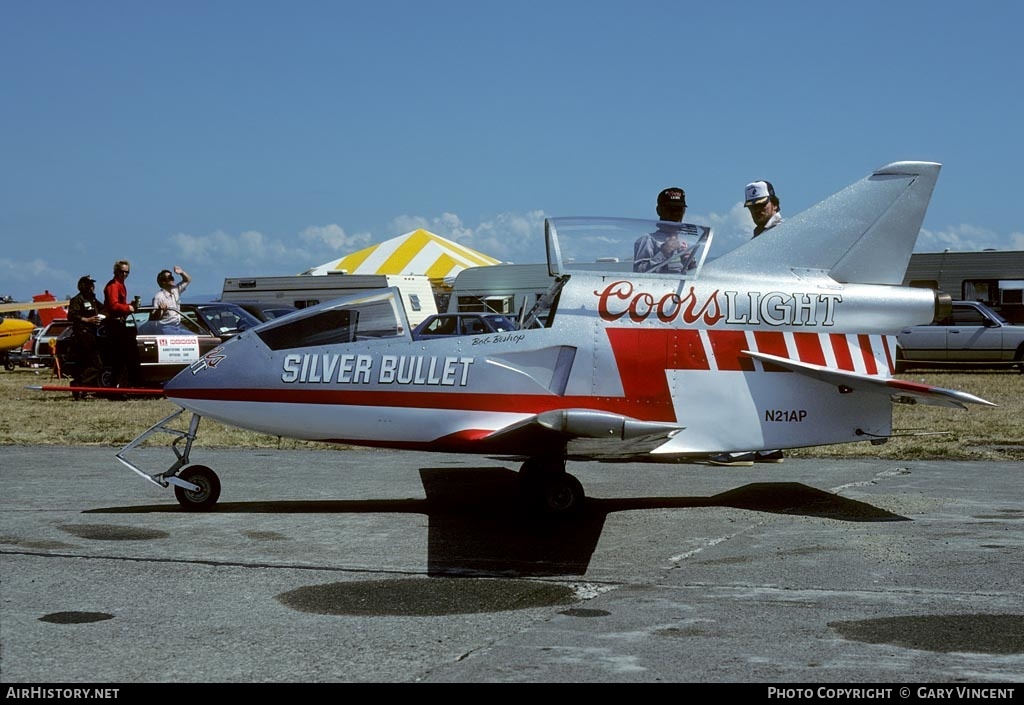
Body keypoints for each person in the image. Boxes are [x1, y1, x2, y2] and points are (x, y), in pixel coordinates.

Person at [709, 180, 786, 466]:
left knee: (745, 381)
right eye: (752, 208)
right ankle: (769, 446)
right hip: (768, 320)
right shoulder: (763, 233)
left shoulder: (779, 233)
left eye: (762, 205)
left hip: (767, 320)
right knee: (766, 384)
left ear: (774, 204)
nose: (757, 211)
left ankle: (742, 447)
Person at [633, 187, 692, 273]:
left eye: (679, 209)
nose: (675, 213)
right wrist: (664, 252)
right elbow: (638, 273)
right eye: (671, 209)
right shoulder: (648, 240)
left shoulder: (685, 241)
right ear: (659, 210)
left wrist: (691, 263)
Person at [101, 259, 139, 387]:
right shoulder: (113, 285)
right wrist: (128, 308)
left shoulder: (120, 285)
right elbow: (113, 306)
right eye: (122, 272)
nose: (124, 274)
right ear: (116, 271)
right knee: (120, 358)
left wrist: (129, 306)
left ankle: (121, 386)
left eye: (127, 272)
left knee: (122, 358)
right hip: (114, 324)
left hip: (119, 323)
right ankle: (117, 387)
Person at [66, 275, 104, 392]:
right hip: (82, 334)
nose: (92, 287)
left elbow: (103, 308)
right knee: (96, 364)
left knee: (88, 364)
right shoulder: (77, 300)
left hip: (92, 334)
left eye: (92, 284)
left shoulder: (92, 300)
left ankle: (81, 388)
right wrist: (87, 320)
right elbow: (71, 315)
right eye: (89, 284)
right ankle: (78, 384)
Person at [152, 265, 192, 334]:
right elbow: (153, 318)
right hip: (166, 327)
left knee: (195, 338)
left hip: (178, 326)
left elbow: (188, 280)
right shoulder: (158, 297)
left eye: (172, 277)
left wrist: (181, 272)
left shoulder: (176, 290)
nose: (172, 279)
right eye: (169, 278)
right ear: (163, 282)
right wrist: (160, 311)